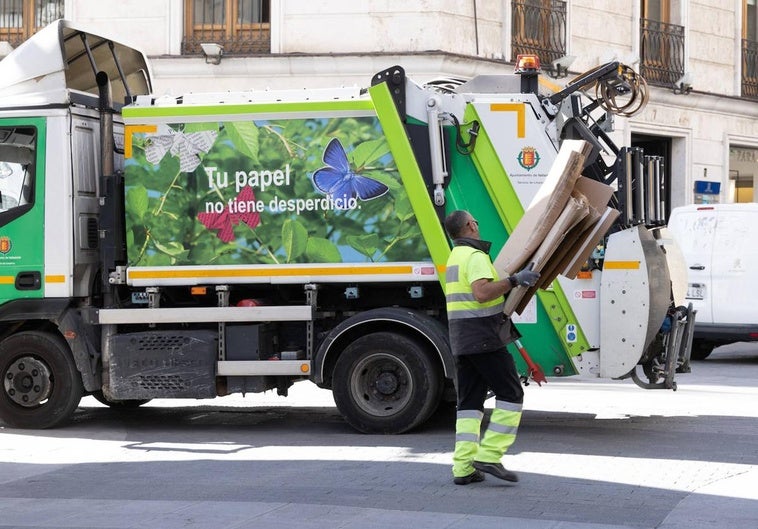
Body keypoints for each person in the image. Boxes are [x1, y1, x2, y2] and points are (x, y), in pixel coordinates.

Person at [443, 209, 540, 485]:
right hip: (484, 336)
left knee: (470, 404)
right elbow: (482, 293)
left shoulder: (456, 256)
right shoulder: (475, 257)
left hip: (463, 339)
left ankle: (463, 468)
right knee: (510, 392)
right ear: (471, 226)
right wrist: (513, 281)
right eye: (476, 220)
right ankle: (490, 453)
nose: (478, 223)